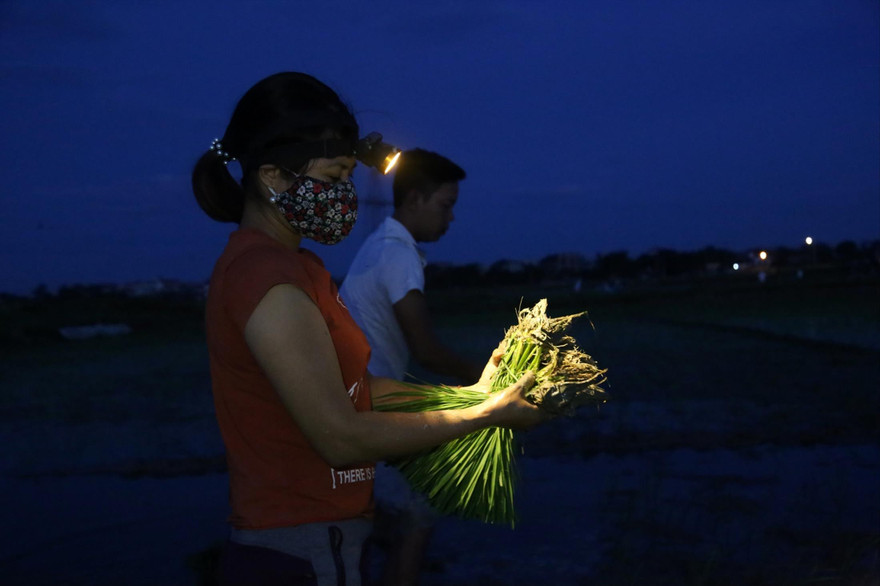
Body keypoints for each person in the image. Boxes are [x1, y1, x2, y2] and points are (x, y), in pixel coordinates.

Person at [190, 71, 546, 586]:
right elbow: (341, 436)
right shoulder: (264, 277)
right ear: (272, 176)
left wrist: (470, 397)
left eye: (348, 180)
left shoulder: (302, 269)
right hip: (297, 550)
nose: (345, 196)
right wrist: (484, 416)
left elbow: (362, 394)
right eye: (334, 180)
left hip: (329, 539)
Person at [339, 149, 481, 585]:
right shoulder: (397, 254)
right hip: (365, 411)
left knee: (375, 524)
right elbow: (425, 349)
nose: (451, 218)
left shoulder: (380, 246)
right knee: (417, 516)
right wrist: (483, 378)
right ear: (415, 199)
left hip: (358, 405)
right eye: (446, 205)